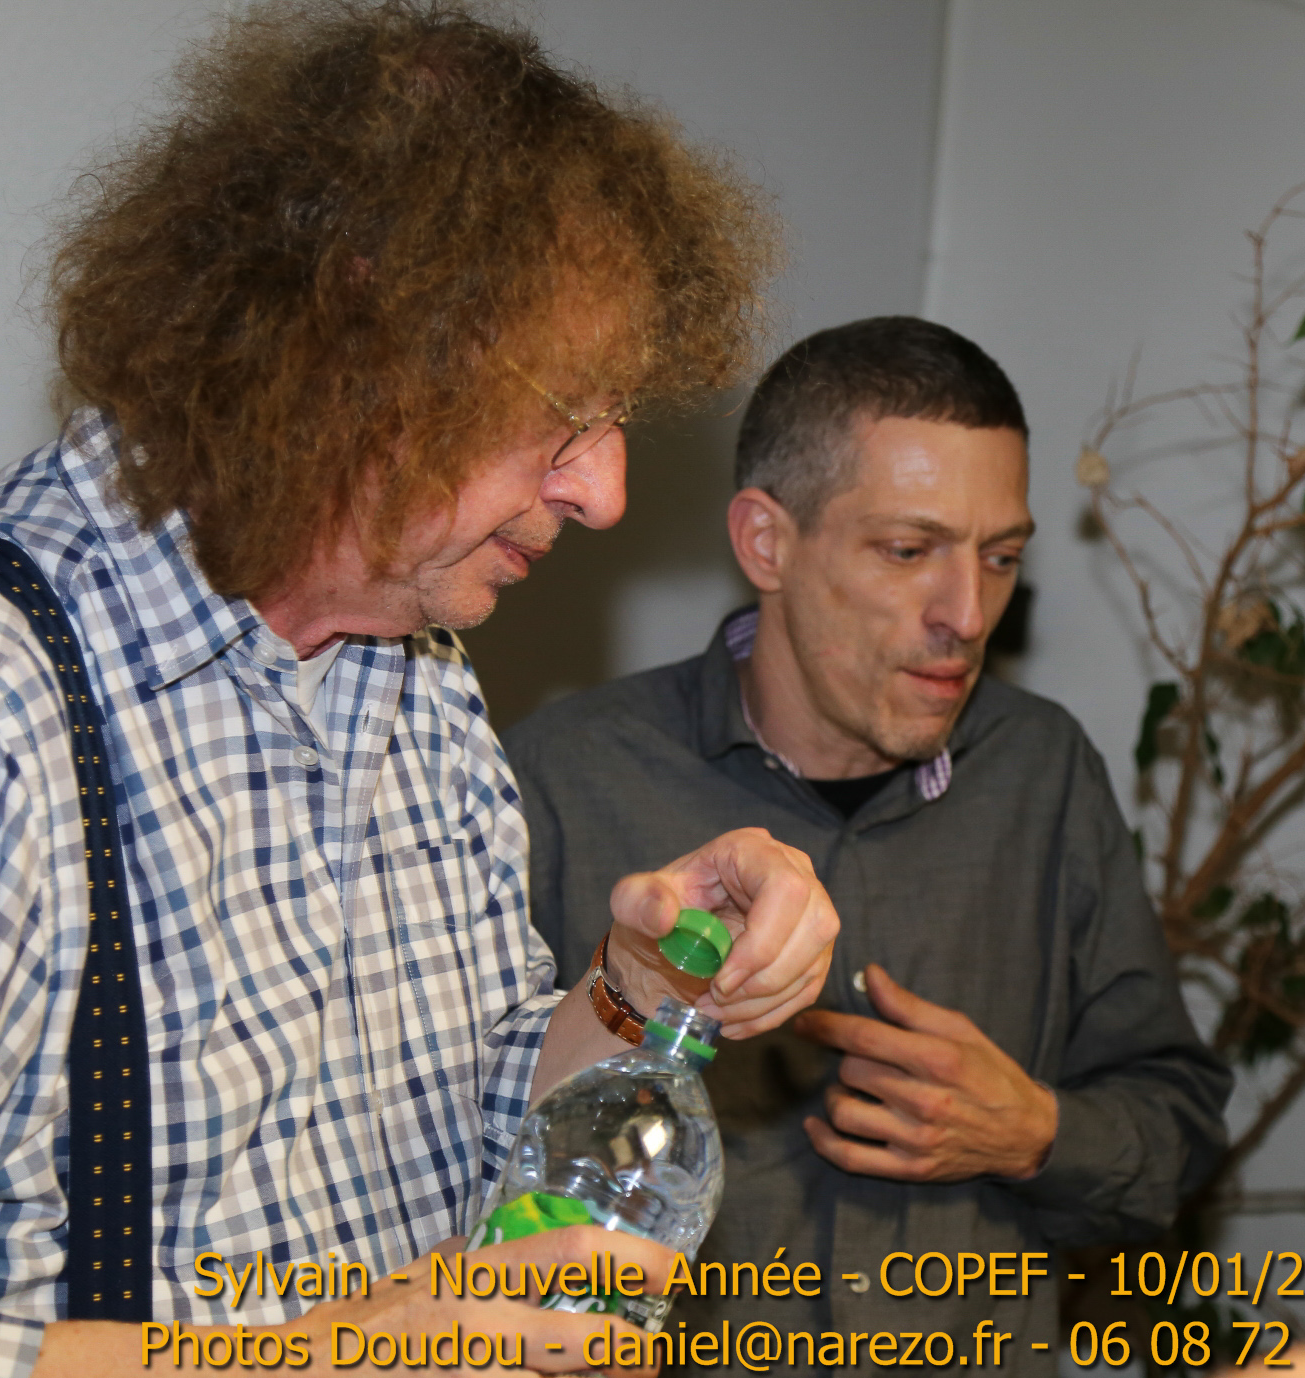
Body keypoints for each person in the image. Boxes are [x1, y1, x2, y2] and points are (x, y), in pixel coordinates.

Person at [0, 5, 840, 1375]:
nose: (604, 489)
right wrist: (313, 1351)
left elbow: (453, 1117)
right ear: (361, 341)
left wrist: (634, 991)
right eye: (567, 411)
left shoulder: (409, 666)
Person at [506, 316, 1233, 1367]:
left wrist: (1036, 1132)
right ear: (767, 542)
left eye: (1001, 557)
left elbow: (1180, 1130)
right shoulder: (560, 781)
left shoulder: (1044, 773)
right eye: (908, 550)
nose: (966, 613)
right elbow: (453, 1152)